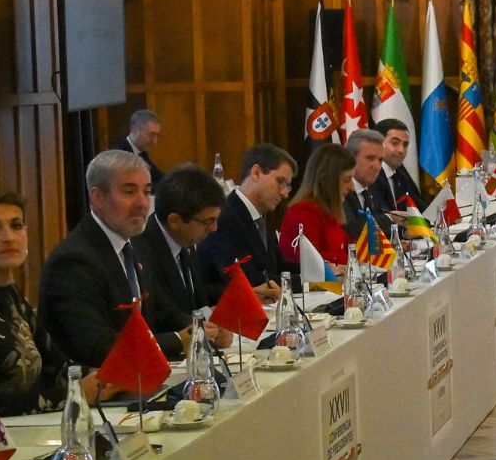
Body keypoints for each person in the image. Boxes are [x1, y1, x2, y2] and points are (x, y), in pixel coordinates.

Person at [0, 183, 109, 416]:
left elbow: (58, 366)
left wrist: (109, 376)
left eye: (16, 226)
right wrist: (74, 393)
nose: (8, 237)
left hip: (24, 431)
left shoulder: (12, 296)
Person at [39, 151, 190, 374]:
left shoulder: (135, 244)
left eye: (147, 192)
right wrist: (178, 339)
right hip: (94, 390)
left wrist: (200, 328)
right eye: (129, 191)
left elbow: (161, 310)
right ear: (98, 197)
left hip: (141, 376)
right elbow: (98, 346)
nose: (142, 203)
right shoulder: (73, 261)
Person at [135, 165, 232, 349]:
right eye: (208, 221)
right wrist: (203, 326)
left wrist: (216, 321)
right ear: (175, 221)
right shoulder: (142, 252)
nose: (214, 228)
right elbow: (163, 314)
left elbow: (195, 298)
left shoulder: (184, 239)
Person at [199, 143, 295, 303]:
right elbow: (253, 283)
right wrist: (311, 282)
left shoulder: (256, 217)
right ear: (256, 173)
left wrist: (322, 274)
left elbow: (280, 266)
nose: (285, 193)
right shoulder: (226, 217)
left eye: (287, 186)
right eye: (280, 182)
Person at [280, 144, 355, 278]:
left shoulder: (327, 211)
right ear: (325, 180)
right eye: (346, 180)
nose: (352, 188)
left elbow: (349, 247)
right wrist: (355, 259)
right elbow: (312, 260)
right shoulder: (304, 212)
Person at [369, 118, 426, 212]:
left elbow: (419, 207)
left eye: (405, 145)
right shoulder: (370, 173)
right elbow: (379, 215)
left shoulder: (400, 173)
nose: (401, 150)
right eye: (395, 143)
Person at [342, 128, 386, 237]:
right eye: (370, 158)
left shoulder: (373, 188)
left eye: (380, 160)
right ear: (350, 158)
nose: (377, 166)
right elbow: (352, 229)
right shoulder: (339, 190)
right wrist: (391, 219)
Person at [112, 108, 164, 184]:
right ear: (135, 130)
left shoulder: (142, 153)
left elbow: (159, 178)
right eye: (151, 135)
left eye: (156, 135)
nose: (154, 141)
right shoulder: (119, 154)